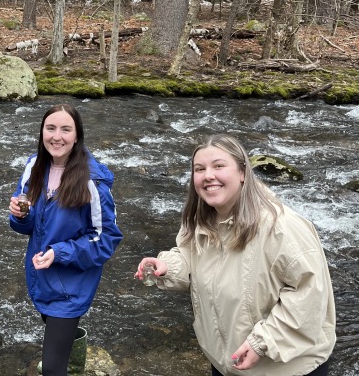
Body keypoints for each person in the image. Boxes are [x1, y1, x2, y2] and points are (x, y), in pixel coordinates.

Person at [135, 134, 336, 376]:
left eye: (219, 166)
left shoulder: (281, 226)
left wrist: (261, 342)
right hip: (226, 362)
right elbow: (191, 258)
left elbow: (310, 294)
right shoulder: (200, 221)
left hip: (285, 368)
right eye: (200, 169)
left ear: (242, 173)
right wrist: (167, 266)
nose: (208, 175)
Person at [8, 104, 123, 375]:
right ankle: (75, 362)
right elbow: (27, 227)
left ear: (77, 135)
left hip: (71, 283)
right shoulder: (34, 167)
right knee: (56, 337)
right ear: (41, 132)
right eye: (50, 128)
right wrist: (20, 216)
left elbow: (106, 237)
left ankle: (65, 364)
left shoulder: (92, 182)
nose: (56, 136)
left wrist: (59, 253)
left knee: (50, 368)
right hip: (41, 276)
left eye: (65, 129)